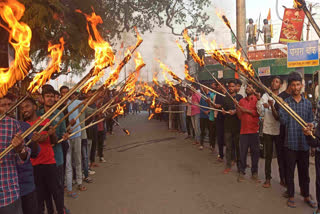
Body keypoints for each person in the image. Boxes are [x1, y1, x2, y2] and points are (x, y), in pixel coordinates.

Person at [20, 97, 64, 214]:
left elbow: (54, 141)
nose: (24, 110)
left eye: (27, 106)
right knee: (40, 197)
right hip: (34, 166)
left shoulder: (45, 121)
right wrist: (37, 139)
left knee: (56, 192)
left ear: (35, 107)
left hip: (49, 163)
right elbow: (29, 149)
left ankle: (61, 211)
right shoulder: (23, 127)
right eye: (22, 108)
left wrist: (52, 134)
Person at [279, 72, 316, 208]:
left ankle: (306, 195)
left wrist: (312, 143)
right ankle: (291, 195)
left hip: (304, 144)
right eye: (293, 85)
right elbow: (282, 121)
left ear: (302, 85)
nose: (296, 87)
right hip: (290, 143)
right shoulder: (286, 103)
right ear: (290, 86)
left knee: (304, 172)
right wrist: (282, 108)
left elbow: (311, 121)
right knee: (290, 171)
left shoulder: (307, 103)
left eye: (298, 84)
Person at [37, 86, 69, 212]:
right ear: (43, 98)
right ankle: (50, 210)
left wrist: (64, 136)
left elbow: (63, 133)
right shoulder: (38, 114)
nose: (50, 99)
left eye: (52, 96)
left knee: (58, 188)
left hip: (57, 158)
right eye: (47, 96)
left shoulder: (59, 114)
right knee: (46, 191)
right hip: (42, 159)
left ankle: (60, 209)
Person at [0, 94, 31, 214]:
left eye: (9, 105)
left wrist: (20, 148)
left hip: (8, 191)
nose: (7, 109)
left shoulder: (12, 124)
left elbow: (24, 157)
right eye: (3, 105)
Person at [60, 86, 87, 197]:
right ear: (60, 94)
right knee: (68, 163)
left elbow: (87, 101)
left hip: (76, 135)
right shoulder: (59, 106)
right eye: (63, 92)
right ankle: (68, 184)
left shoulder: (75, 102)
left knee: (78, 159)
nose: (65, 94)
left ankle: (79, 182)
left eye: (67, 92)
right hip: (65, 138)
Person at [257, 76, 282, 188]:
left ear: (280, 85)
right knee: (268, 156)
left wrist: (271, 106)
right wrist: (262, 104)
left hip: (278, 129)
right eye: (273, 81)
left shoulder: (281, 97)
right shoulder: (265, 96)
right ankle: (268, 178)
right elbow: (260, 110)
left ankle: (283, 178)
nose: (274, 83)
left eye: (277, 82)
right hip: (267, 129)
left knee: (281, 156)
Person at [236, 83, 260, 183]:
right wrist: (238, 108)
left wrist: (247, 110)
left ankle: (254, 173)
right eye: (247, 87)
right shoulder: (241, 101)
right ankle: (242, 171)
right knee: (243, 152)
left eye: (250, 87)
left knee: (255, 153)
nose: (248, 89)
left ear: (254, 89)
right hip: (244, 131)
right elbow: (239, 116)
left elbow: (258, 113)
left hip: (254, 130)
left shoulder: (257, 100)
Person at [222, 80, 243, 174]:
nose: (231, 88)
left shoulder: (240, 97)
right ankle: (228, 165)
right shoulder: (225, 98)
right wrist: (224, 112)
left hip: (238, 126)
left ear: (236, 87)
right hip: (227, 126)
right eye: (229, 86)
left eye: (233, 86)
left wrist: (235, 110)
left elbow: (242, 110)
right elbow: (224, 110)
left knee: (238, 148)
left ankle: (240, 167)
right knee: (228, 147)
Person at [215, 81, 225, 162]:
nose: (218, 87)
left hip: (227, 118)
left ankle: (232, 157)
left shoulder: (227, 94)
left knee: (228, 138)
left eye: (219, 85)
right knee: (219, 137)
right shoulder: (217, 94)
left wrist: (221, 106)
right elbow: (215, 105)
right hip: (219, 118)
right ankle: (221, 154)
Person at [199, 86, 210, 150]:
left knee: (210, 130)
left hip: (209, 116)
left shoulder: (211, 95)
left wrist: (208, 111)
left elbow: (213, 105)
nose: (202, 89)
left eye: (203, 87)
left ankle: (212, 145)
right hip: (202, 115)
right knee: (202, 130)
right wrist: (203, 111)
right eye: (202, 88)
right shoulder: (202, 96)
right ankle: (201, 144)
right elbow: (200, 105)